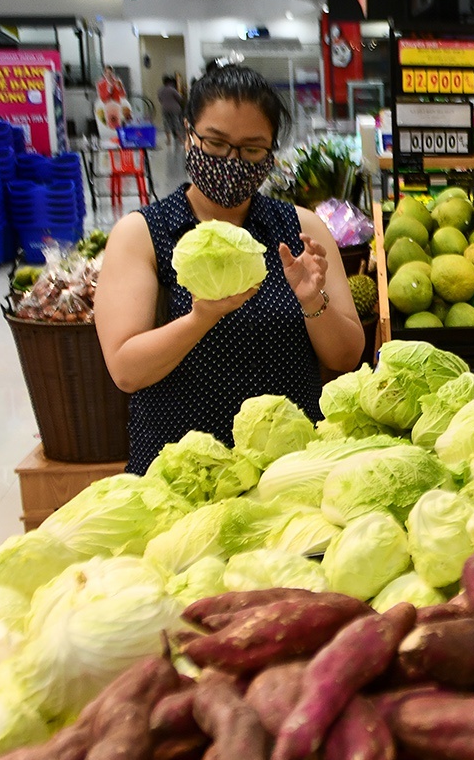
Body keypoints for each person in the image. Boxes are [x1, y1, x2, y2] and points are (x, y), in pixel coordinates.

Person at [96, 63, 364, 474]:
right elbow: (126, 370)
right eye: (216, 143)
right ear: (189, 135)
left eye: (252, 149)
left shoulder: (301, 228)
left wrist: (314, 301)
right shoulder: (142, 233)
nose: (232, 161)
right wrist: (201, 317)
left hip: (287, 472)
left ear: (271, 152)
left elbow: (346, 356)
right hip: (182, 474)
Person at [157, 75, 185, 140]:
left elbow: (160, 99)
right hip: (174, 108)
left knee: (166, 123)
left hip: (164, 108)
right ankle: (180, 139)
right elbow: (180, 98)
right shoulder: (172, 89)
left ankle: (168, 140)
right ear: (170, 82)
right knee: (176, 122)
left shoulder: (160, 90)